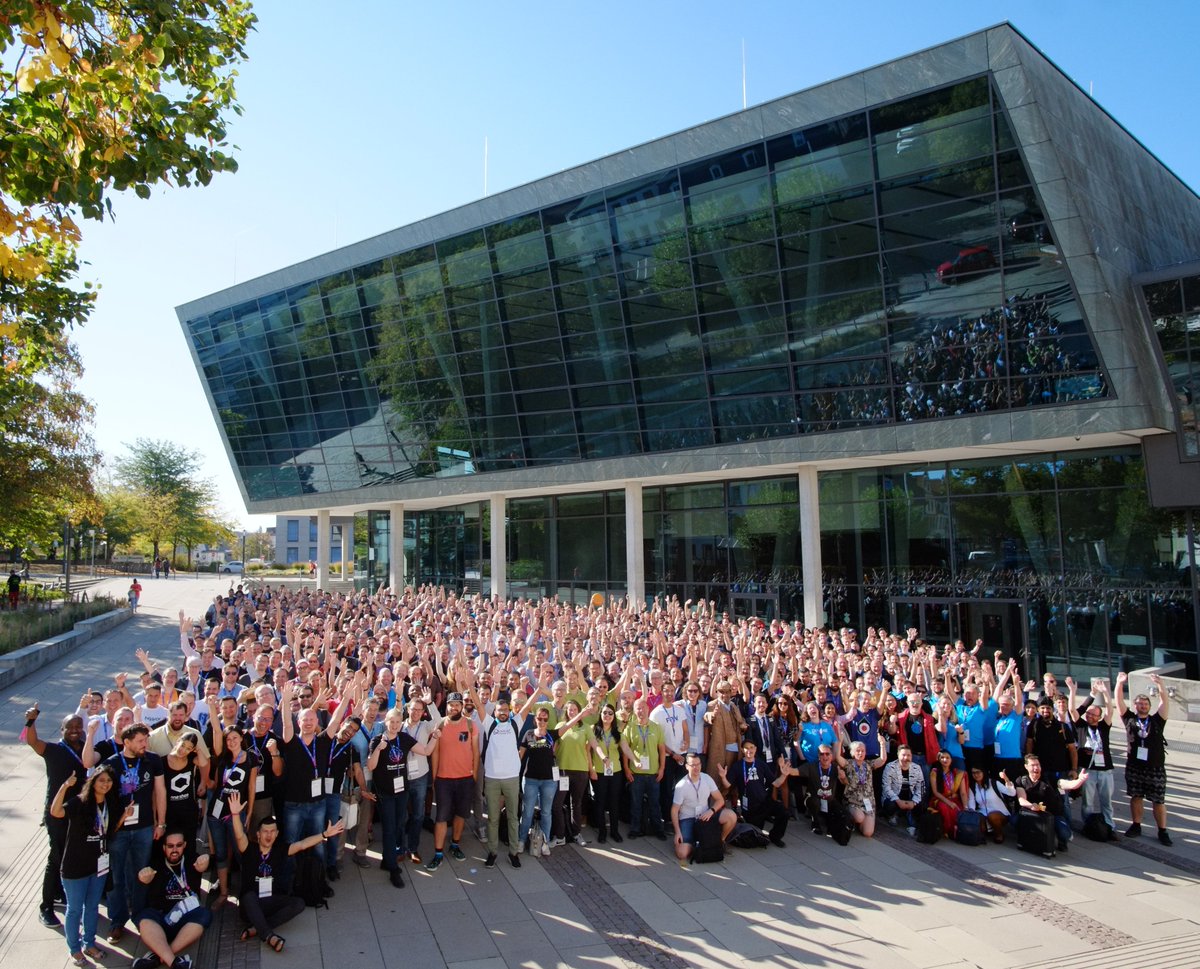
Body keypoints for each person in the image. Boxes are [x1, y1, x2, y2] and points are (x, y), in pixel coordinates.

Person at [227, 791, 344, 954]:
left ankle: (258, 928)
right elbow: (239, 836)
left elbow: (302, 844)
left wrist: (324, 834)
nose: (269, 835)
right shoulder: (249, 850)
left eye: (272, 831)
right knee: (248, 897)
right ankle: (269, 936)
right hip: (251, 905)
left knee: (298, 904)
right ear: (258, 835)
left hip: (270, 902)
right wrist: (234, 814)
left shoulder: (280, 850)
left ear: (277, 834)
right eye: (265, 832)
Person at [49, 769, 133, 966]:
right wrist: (65, 786)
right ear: (92, 781)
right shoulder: (80, 801)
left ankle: (90, 943)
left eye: (109, 781)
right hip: (75, 866)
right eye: (101, 780)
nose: (106, 784)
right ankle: (74, 949)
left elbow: (109, 831)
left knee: (93, 908)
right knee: (75, 910)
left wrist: (124, 816)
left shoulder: (109, 804)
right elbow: (56, 812)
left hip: (98, 866)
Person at [23, 703, 89, 927]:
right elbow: (33, 742)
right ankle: (46, 907)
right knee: (56, 857)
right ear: (62, 730)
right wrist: (31, 721)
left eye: (78, 726)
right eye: (70, 727)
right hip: (57, 813)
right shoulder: (54, 750)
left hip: (78, 811)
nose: (74, 730)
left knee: (73, 855)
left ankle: (62, 893)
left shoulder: (85, 748)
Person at [103, 722, 166, 943]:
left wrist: (161, 823)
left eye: (146, 740)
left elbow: (160, 791)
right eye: (140, 741)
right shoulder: (111, 764)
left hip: (144, 827)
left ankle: (140, 915)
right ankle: (117, 921)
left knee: (141, 874)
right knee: (117, 877)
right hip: (118, 830)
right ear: (126, 742)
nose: (144, 744)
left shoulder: (152, 760)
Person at [368, 707, 437, 886]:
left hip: (402, 791)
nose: (395, 725)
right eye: (392, 722)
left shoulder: (404, 738)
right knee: (390, 828)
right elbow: (370, 766)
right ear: (386, 723)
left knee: (399, 824)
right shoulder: (377, 740)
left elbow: (426, 751)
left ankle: (388, 858)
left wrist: (436, 737)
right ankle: (392, 868)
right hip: (385, 793)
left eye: (398, 722)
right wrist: (378, 750)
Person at [131, 831, 212, 969]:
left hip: (185, 919)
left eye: (179, 845)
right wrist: (143, 878)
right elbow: (142, 878)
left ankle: (159, 957)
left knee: (204, 915)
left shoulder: (193, 860)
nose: (174, 850)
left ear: (185, 845)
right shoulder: (155, 864)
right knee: (144, 919)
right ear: (164, 848)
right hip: (160, 918)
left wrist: (206, 862)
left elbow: (206, 863)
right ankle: (175, 963)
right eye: (170, 846)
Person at [1114, 670, 1172, 845]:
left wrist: (1160, 685)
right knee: (1136, 796)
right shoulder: (1130, 719)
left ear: (1149, 705)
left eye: (1145, 703)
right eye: (1139, 704)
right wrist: (1119, 683)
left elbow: (1164, 702)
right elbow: (1119, 702)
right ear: (1135, 705)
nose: (1143, 706)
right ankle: (1136, 825)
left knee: (1158, 800)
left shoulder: (1157, 720)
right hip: (1135, 766)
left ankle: (1162, 831)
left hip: (1155, 767)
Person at [425, 692, 478, 871]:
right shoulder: (440, 725)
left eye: (457, 704)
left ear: (462, 706)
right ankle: (438, 853)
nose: (454, 707)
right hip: (444, 780)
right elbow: (436, 753)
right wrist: (435, 777)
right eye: (451, 704)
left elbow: (475, 752)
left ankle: (455, 844)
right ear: (446, 706)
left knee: (460, 814)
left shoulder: (471, 725)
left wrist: (475, 775)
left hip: (465, 779)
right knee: (440, 817)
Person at [1069, 677, 1117, 837]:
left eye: (1093, 715)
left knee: (1106, 801)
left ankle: (1110, 827)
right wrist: (1074, 692)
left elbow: (1110, 711)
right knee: (1087, 802)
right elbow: (1073, 711)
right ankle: (1089, 825)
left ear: (1099, 716)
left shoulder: (1104, 726)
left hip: (1105, 770)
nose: (1089, 716)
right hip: (1087, 769)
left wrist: (1105, 693)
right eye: (1088, 714)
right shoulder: (1082, 726)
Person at [719, 738, 791, 846]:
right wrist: (723, 777)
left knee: (784, 812)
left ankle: (775, 837)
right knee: (755, 833)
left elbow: (775, 783)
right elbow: (728, 785)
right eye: (746, 748)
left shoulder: (761, 764)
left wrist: (784, 775)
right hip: (750, 807)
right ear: (742, 750)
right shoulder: (738, 766)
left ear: (756, 749)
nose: (749, 750)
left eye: (751, 748)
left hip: (765, 801)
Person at [481, 693, 523, 869]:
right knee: (493, 818)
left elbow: (528, 706)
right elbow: (477, 704)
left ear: (510, 711)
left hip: (512, 778)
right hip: (492, 779)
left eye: (506, 710)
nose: (503, 712)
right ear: (495, 712)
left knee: (513, 817)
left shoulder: (515, 724)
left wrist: (540, 689)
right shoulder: (489, 724)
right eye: (500, 710)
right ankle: (492, 852)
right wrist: (468, 685)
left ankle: (513, 853)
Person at [671, 751, 737, 862]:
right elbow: (674, 810)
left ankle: (719, 842)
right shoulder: (681, 786)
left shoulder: (706, 778)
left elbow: (720, 800)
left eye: (698, 764)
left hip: (705, 815)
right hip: (688, 819)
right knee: (681, 853)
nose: (696, 768)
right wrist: (677, 831)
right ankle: (700, 845)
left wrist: (711, 811)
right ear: (687, 766)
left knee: (731, 816)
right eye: (693, 765)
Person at [1015, 754, 1088, 853]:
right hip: (1031, 814)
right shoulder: (1021, 780)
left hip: (1052, 814)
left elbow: (1066, 784)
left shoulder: (1049, 779)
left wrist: (1079, 781)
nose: (1036, 767)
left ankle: (1062, 840)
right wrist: (1031, 806)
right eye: (1033, 765)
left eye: (1038, 764)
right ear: (1026, 767)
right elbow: (1021, 799)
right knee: (1014, 820)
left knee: (1064, 833)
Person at [621, 698, 667, 840]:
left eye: (643, 708)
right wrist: (627, 769)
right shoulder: (630, 727)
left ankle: (658, 829)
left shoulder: (656, 726)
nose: (641, 711)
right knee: (636, 803)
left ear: (648, 709)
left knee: (655, 803)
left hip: (653, 773)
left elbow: (661, 749)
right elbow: (625, 750)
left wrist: (662, 768)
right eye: (637, 708)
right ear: (634, 711)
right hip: (636, 773)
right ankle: (635, 829)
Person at [518, 707, 559, 855]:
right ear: (535, 719)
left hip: (549, 781)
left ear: (548, 721)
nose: (542, 721)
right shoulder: (528, 734)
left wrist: (583, 713)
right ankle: (521, 840)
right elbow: (520, 756)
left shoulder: (552, 735)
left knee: (546, 812)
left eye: (545, 719)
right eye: (539, 718)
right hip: (530, 779)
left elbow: (568, 725)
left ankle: (545, 842)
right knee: (527, 812)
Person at [590, 703, 624, 843]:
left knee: (614, 802)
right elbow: (588, 750)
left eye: (610, 713)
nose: (607, 715)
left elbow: (625, 749)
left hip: (615, 771)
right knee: (600, 802)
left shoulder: (617, 731)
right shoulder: (593, 730)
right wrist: (591, 769)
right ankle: (602, 832)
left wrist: (635, 760)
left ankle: (614, 831)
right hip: (599, 771)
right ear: (600, 714)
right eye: (605, 713)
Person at [838, 740, 886, 838]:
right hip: (853, 801)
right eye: (858, 751)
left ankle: (859, 825)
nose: (860, 753)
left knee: (868, 833)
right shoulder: (849, 764)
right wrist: (839, 741)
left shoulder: (868, 764)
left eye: (863, 751)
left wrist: (882, 744)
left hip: (868, 803)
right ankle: (852, 820)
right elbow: (838, 757)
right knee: (859, 817)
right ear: (852, 752)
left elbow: (882, 759)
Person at [881, 744, 926, 835]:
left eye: (908, 755)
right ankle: (892, 815)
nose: (906, 758)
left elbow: (921, 787)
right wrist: (898, 801)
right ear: (898, 755)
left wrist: (914, 802)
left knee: (922, 804)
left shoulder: (917, 768)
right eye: (903, 755)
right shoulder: (890, 767)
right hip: (895, 797)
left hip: (910, 796)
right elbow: (886, 787)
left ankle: (912, 824)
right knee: (890, 805)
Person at [965, 765, 1015, 843]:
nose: (976, 775)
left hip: (1000, 813)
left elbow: (1012, 793)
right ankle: (984, 833)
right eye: (973, 773)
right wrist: (972, 813)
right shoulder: (972, 787)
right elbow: (971, 802)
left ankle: (999, 834)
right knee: (978, 817)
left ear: (983, 772)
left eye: (978, 772)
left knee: (992, 816)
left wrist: (1006, 780)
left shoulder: (994, 783)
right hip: (983, 813)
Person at [928, 749, 967, 840]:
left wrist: (966, 807)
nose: (945, 760)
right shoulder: (935, 772)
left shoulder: (957, 773)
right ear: (938, 759)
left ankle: (957, 831)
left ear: (951, 760)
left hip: (953, 799)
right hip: (939, 799)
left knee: (958, 809)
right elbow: (935, 792)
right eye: (942, 757)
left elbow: (963, 792)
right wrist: (948, 802)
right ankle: (948, 832)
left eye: (947, 758)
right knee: (945, 808)